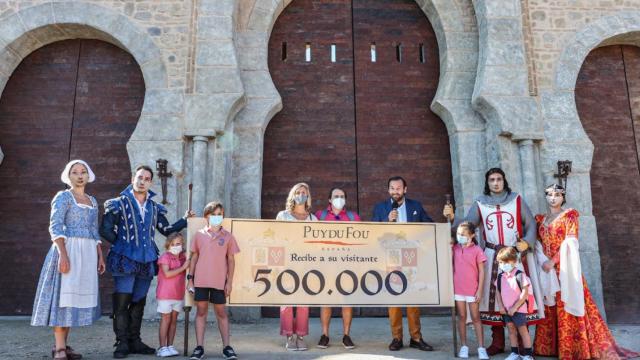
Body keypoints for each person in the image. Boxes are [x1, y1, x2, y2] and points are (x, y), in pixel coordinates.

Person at [443, 168, 544, 355]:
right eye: (492, 180)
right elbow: (467, 226)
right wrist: (452, 218)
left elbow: (530, 224)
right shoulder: (480, 203)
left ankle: (523, 344)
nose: (495, 183)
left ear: (504, 181)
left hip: (512, 255)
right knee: (493, 301)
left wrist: (526, 243)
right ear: (487, 183)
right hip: (490, 256)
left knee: (516, 295)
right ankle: (497, 342)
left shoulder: (516, 200)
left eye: (499, 179)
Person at [533, 184, 639, 359]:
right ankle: (550, 348)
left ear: (563, 197)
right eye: (550, 195)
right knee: (550, 305)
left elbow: (570, 241)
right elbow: (537, 243)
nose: (553, 198)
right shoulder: (540, 219)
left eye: (557, 195)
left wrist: (553, 261)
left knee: (568, 304)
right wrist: (544, 262)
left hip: (565, 268)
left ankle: (573, 347)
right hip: (547, 270)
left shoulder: (570, 215)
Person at [100, 165, 194, 358]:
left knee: (138, 301)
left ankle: (135, 340)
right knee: (122, 301)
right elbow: (105, 229)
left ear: (150, 182)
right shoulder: (118, 203)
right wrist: (122, 245)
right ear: (134, 177)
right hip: (124, 259)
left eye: (147, 178)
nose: (142, 181)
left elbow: (166, 229)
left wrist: (184, 220)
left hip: (147, 259)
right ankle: (122, 342)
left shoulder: (153, 207)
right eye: (140, 177)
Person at [31, 160, 105, 360]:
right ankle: (59, 348)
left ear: (88, 176)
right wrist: (63, 254)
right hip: (69, 249)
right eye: (75, 172)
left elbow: (93, 230)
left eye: (83, 172)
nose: (80, 176)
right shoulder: (63, 197)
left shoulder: (92, 200)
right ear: (68, 176)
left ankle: (63, 345)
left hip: (88, 252)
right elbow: (55, 226)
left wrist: (99, 254)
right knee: (63, 298)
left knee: (73, 300)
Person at [372, 176, 434, 352]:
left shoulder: (416, 206)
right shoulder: (381, 208)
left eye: (399, 188)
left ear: (405, 189)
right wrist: (387, 220)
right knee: (394, 298)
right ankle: (396, 338)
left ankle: (416, 337)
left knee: (412, 298)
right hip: (391, 255)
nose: (395, 191)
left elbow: (429, 225)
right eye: (392, 188)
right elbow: (373, 231)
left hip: (410, 255)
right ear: (388, 190)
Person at [187, 202, 239, 360]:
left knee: (221, 313)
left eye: (220, 214)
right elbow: (194, 258)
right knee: (201, 312)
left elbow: (231, 261)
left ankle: (227, 347)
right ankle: (199, 347)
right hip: (201, 281)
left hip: (219, 282)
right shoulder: (199, 235)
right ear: (206, 216)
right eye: (214, 214)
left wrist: (229, 282)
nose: (217, 217)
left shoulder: (228, 236)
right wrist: (190, 280)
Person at [315, 187, 361, 350]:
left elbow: (361, 241)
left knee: (346, 302)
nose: (339, 198)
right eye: (336, 196)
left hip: (347, 267)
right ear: (329, 199)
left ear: (346, 200)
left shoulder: (353, 217)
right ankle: (325, 335)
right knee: (326, 302)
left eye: (342, 196)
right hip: (326, 266)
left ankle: (346, 336)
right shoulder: (319, 216)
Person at [276, 183, 318, 351]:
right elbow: (277, 239)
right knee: (286, 301)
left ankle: (300, 336)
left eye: (304, 193)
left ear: (308, 197)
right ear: (292, 195)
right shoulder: (283, 216)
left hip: (305, 264)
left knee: (303, 302)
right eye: (298, 192)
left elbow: (317, 244)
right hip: (286, 263)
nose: (301, 195)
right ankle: (289, 336)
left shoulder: (312, 218)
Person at [453, 221, 489, 359]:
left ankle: (481, 348)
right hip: (458, 290)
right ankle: (464, 346)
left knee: (475, 318)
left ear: (472, 235)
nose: (460, 236)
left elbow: (481, 271)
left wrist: (479, 290)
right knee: (461, 317)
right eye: (458, 234)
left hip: (472, 290)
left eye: (463, 234)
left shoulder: (477, 250)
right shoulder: (455, 248)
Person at [495, 247, 535, 360]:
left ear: (513, 261)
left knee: (523, 331)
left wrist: (515, 307)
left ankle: (528, 355)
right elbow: (498, 292)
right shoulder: (500, 277)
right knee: (511, 330)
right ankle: (514, 353)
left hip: (519, 309)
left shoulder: (520, 275)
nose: (502, 265)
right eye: (500, 262)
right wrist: (501, 306)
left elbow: (524, 294)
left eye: (505, 262)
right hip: (507, 310)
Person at [156, 233, 189, 358]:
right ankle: (162, 347)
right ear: (168, 245)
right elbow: (167, 274)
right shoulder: (165, 257)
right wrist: (184, 267)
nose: (176, 246)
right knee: (166, 319)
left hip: (178, 294)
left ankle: (170, 345)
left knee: (174, 320)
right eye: (173, 244)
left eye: (178, 244)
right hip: (165, 294)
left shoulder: (183, 258)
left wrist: (186, 258)